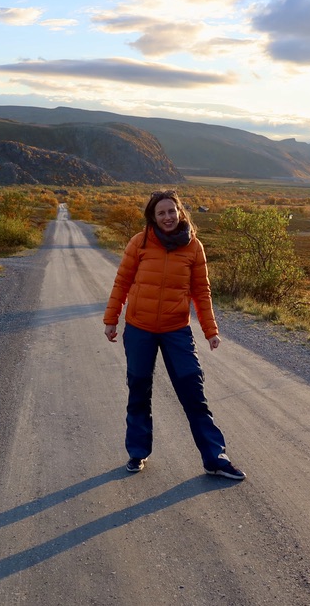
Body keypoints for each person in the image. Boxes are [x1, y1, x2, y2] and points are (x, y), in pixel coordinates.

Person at [103, 190, 245, 481]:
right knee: (139, 389)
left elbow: (201, 292)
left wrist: (210, 330)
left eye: (172, 211)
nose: (167, 217)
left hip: (176, 330)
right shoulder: (139, 242)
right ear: (153, 218)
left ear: (181, 213)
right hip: (140, 328)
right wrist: (111, 319)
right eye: (161, 213)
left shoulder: (193, 247)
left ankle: (215, 458)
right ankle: (138, 451)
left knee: (193, 390)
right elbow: (122, 282)